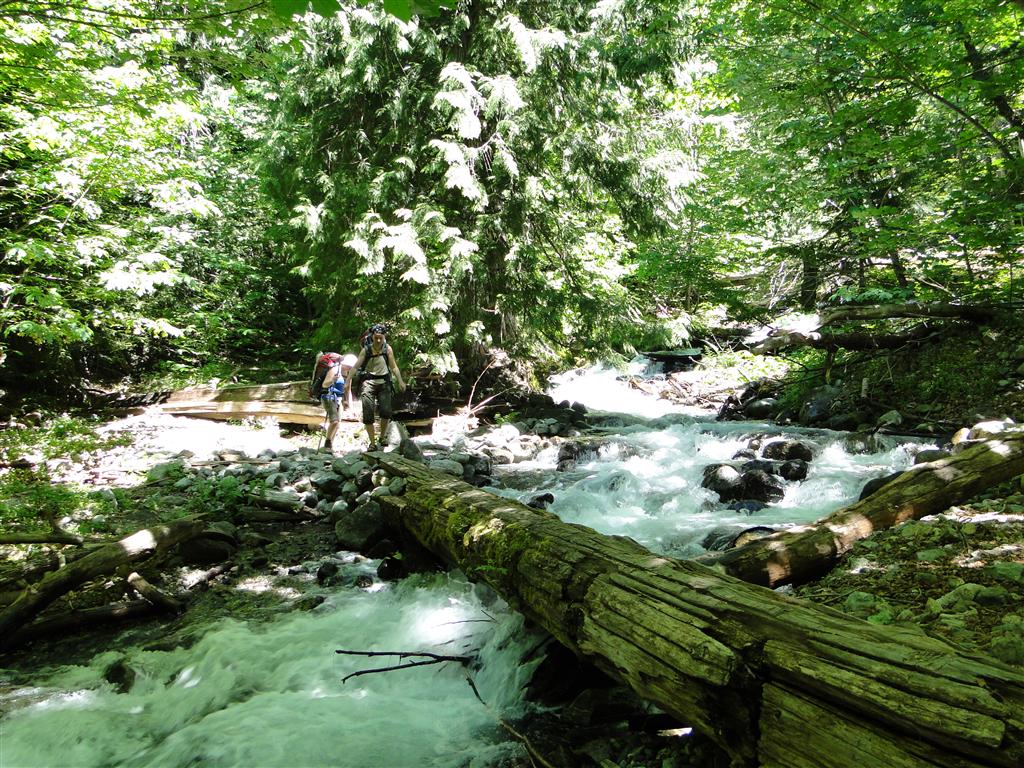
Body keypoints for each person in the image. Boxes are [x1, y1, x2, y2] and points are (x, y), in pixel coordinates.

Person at [345, 323, 406, 450]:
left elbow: (394, 367)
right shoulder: (366, 350)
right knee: (368, 414)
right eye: (376, 337)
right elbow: (355, 367)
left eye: (381, 338)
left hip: (384, 382)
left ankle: (382, 437)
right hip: (368, 383)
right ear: (372, 336)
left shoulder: (387, 349)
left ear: (384, 337)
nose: (378, 340)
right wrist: (347, 381)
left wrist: (400, 381)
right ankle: (372, 443)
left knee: (386, 412)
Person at [321, 353, 358, 452]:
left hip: (339, 399)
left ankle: (330, 445)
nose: (349, 368)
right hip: (328, 396)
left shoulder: (349, 374)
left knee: (338, 424)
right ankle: (327, 443)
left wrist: (352, 408)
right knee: (334, 421)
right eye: (348, 366)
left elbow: (348, 391)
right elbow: (324, 385)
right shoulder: (334, 370)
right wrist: (332, 380)